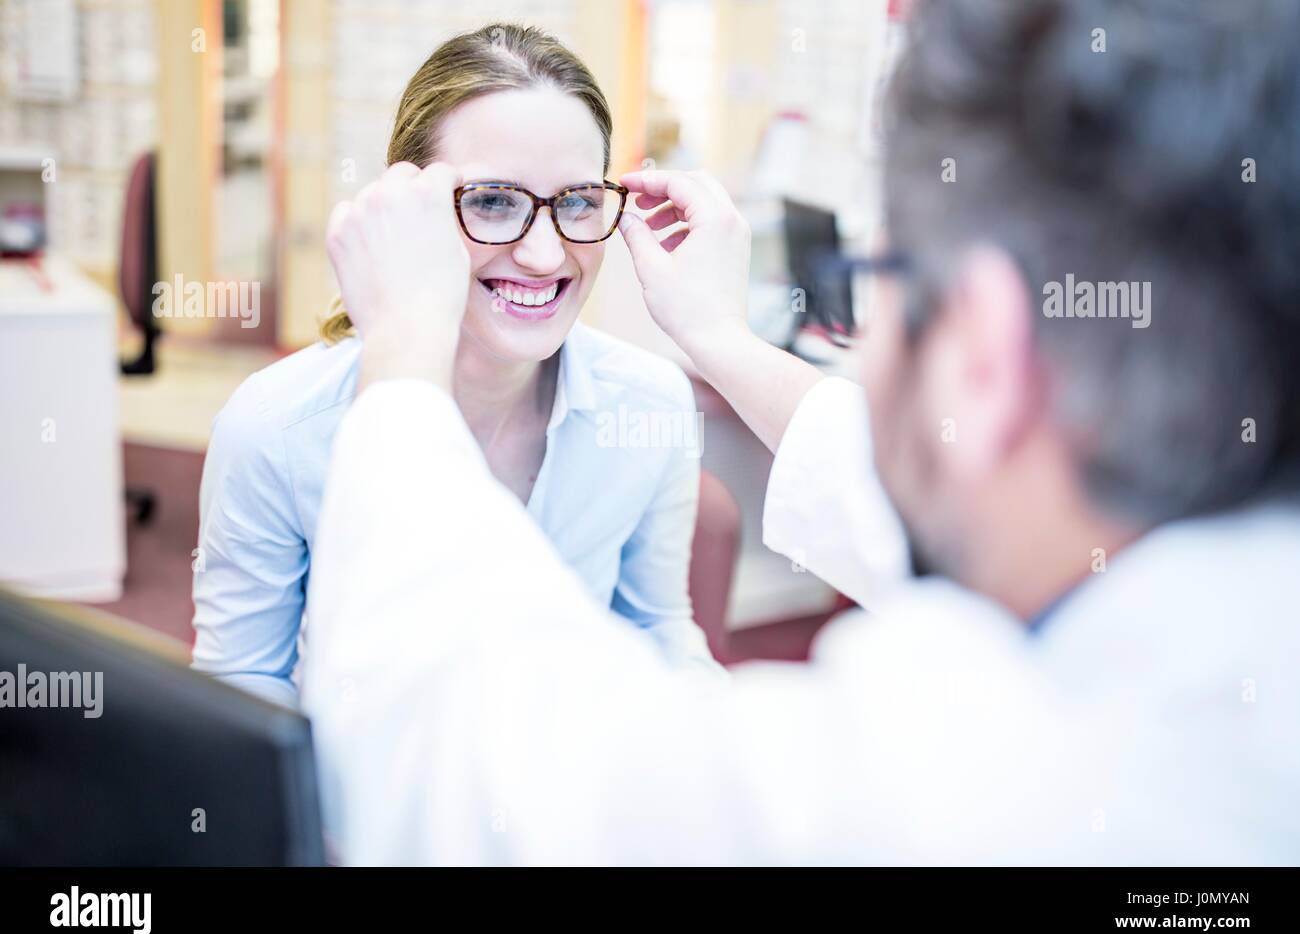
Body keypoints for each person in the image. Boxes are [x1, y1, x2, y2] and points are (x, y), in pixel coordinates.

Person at [303, 0, 1300, 863]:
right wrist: (719, 336)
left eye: (879, 286)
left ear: (983, 358)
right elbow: (874, 484)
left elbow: (476, 758)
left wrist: (400, 353)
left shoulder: (956, 792)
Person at [191, 25, 721, 708]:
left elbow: (654, 625)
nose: (542, 255)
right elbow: (242, 688)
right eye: (493, 201)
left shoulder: (650, 406)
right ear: (406, 208)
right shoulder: (276, 428)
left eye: (578, 202)